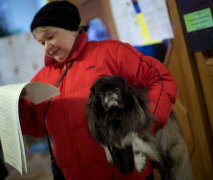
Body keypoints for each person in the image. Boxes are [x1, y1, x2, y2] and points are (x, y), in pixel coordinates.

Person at [19, 1, 178, 180]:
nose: (47, 47)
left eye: (50, 37)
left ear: (72, 29)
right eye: (42, 43)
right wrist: (17, 107)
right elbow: (37, 127)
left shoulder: (111, 53)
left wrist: (148, 119)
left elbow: (161, 79)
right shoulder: (41, 79)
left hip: (125, 171)